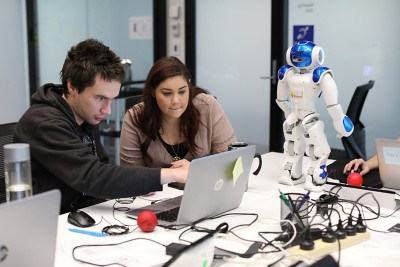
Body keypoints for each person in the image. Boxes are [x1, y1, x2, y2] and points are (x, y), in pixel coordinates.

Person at [13, 39, 188, 213]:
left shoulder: (85, 114)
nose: (107, 110)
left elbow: (103, 167)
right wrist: (169, 174)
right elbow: (93, 176)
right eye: (101, 98)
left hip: (86, 214)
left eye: (111, 99)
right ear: (72, 86)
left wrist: (138, 182)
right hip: (53, 224)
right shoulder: (44, 123)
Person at [119, 56, 236, 168]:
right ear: (153, 92)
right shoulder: (135, 117)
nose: (176, 101)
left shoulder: (207, 106)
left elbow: (232, 163)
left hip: (205, 188)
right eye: (167, 93)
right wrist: (173, 175)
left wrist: (194, 170)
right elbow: (131, 177)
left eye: (182, 92)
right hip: (156, 189)